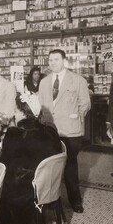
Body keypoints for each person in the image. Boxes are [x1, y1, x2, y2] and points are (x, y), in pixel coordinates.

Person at [0, 93, 62, 224]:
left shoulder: (16, 133)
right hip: (48, 183)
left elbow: (5, 161)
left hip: (26, 187)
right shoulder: (50, 131)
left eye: (16, 111)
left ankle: (8, 223)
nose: (14, 114)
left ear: (24, 113)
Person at [38, 49, 91, 213]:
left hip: (70, 131)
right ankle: (48, 199)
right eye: (50, 60)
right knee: (48, 167)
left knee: (70, 166)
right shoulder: (44, 82)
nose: (53, 62)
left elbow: (85, 103)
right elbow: (41, 105)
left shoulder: (77, 80)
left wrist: (76, 116)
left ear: (64, 61)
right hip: (49, 130)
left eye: (56, 59)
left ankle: (75, 200)